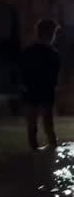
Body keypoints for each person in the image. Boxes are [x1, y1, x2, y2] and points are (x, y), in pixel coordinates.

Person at [19, 19, 60, 150]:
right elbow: (54, 78)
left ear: (38, 33)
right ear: (52, 34)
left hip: (30, 91)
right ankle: (52, 154)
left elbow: (21, 74)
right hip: (47, 92)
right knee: (49, 126)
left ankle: (33, 155)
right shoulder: (54, 54)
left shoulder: (27, 52)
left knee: (32, 127)